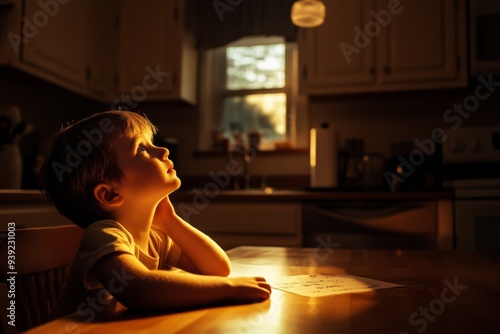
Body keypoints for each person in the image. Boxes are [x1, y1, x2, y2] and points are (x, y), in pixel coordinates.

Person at [40, 110, 271, 319]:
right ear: (110, 194)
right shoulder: (103, 235)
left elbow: (218, 269)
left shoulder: (155, 237)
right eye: (141, 148)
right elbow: (138, 289)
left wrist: (170, 221)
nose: (163, 150)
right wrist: (230, 290)